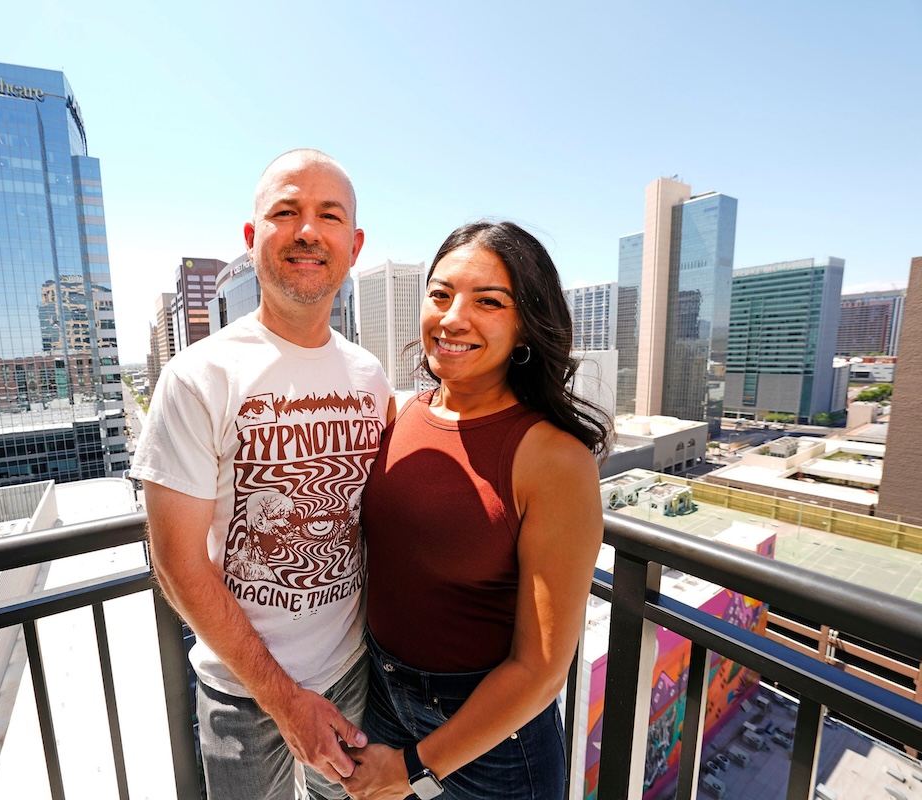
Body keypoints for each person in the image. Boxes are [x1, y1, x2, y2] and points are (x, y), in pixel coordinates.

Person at [131, 149, 393, 800]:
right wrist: (285, 702)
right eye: (286, 212)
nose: (308, 231)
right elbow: (176, 564)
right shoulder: (198, 377)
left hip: (354, 674)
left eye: (328, 216)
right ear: (253, 241)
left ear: (353, 246)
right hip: (241, 692)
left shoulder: (369, 375)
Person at [341, 220, 610, 800]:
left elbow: (540, 669)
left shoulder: (554, 459)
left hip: (494, 739)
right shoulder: (398, 413)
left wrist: (415, 767)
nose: (452, 318)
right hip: (382, 694)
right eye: (440, 295)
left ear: (525, 327)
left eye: (488, 301)